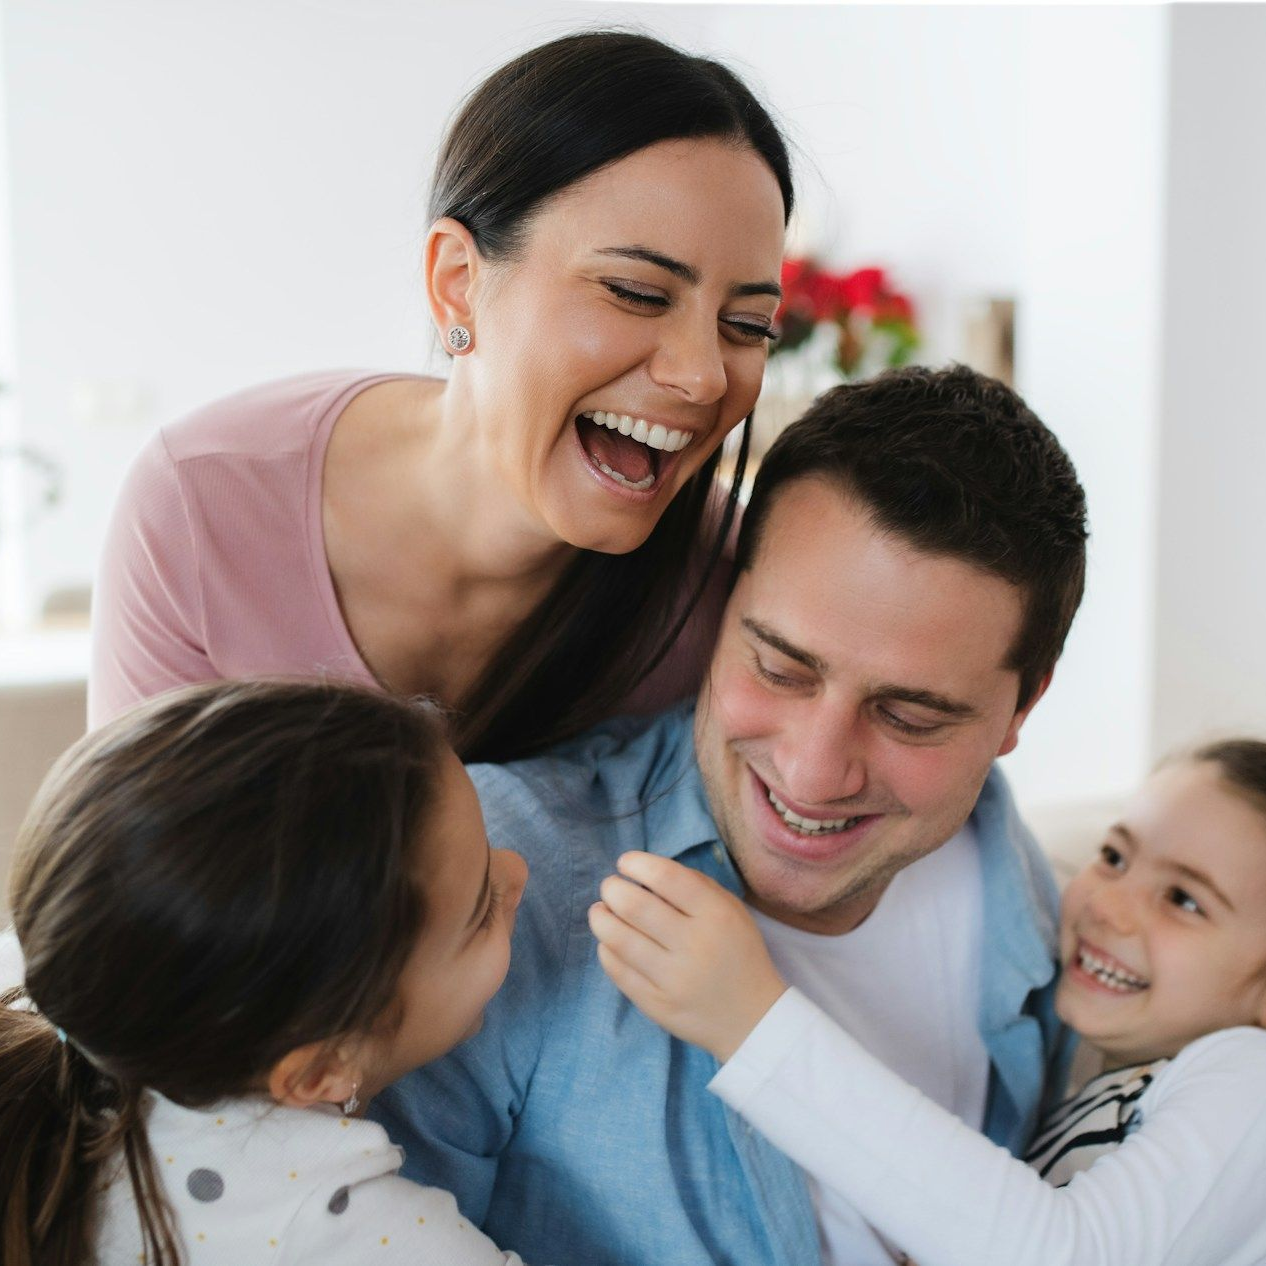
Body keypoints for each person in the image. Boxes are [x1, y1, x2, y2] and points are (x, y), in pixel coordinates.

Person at [370, 364, 1090, 1266]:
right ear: (724, 610)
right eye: (781, 668)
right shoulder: (499, 871)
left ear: (1021, 711)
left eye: (911, 717)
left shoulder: (1005, 864)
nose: (813, 770)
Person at [89, 30, 793, 761]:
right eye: (637, 293)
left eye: (746, 325)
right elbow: (128, 867)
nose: (705, 375)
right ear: (457, 281)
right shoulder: (203, 501)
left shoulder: (729, 588)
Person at [594, 741, 1266, 1266]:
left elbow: (1066, 1254)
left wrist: (752, 1022)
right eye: (1115, 856)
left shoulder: (1249, 1076)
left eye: (1185, 900)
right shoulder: (1112, 1079)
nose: (1107, 905)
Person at [0, 679, 531, 1265]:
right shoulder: (348, 1232)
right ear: (318, 1072)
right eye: (482, 911)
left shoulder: (82, 981)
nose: (519, 869)